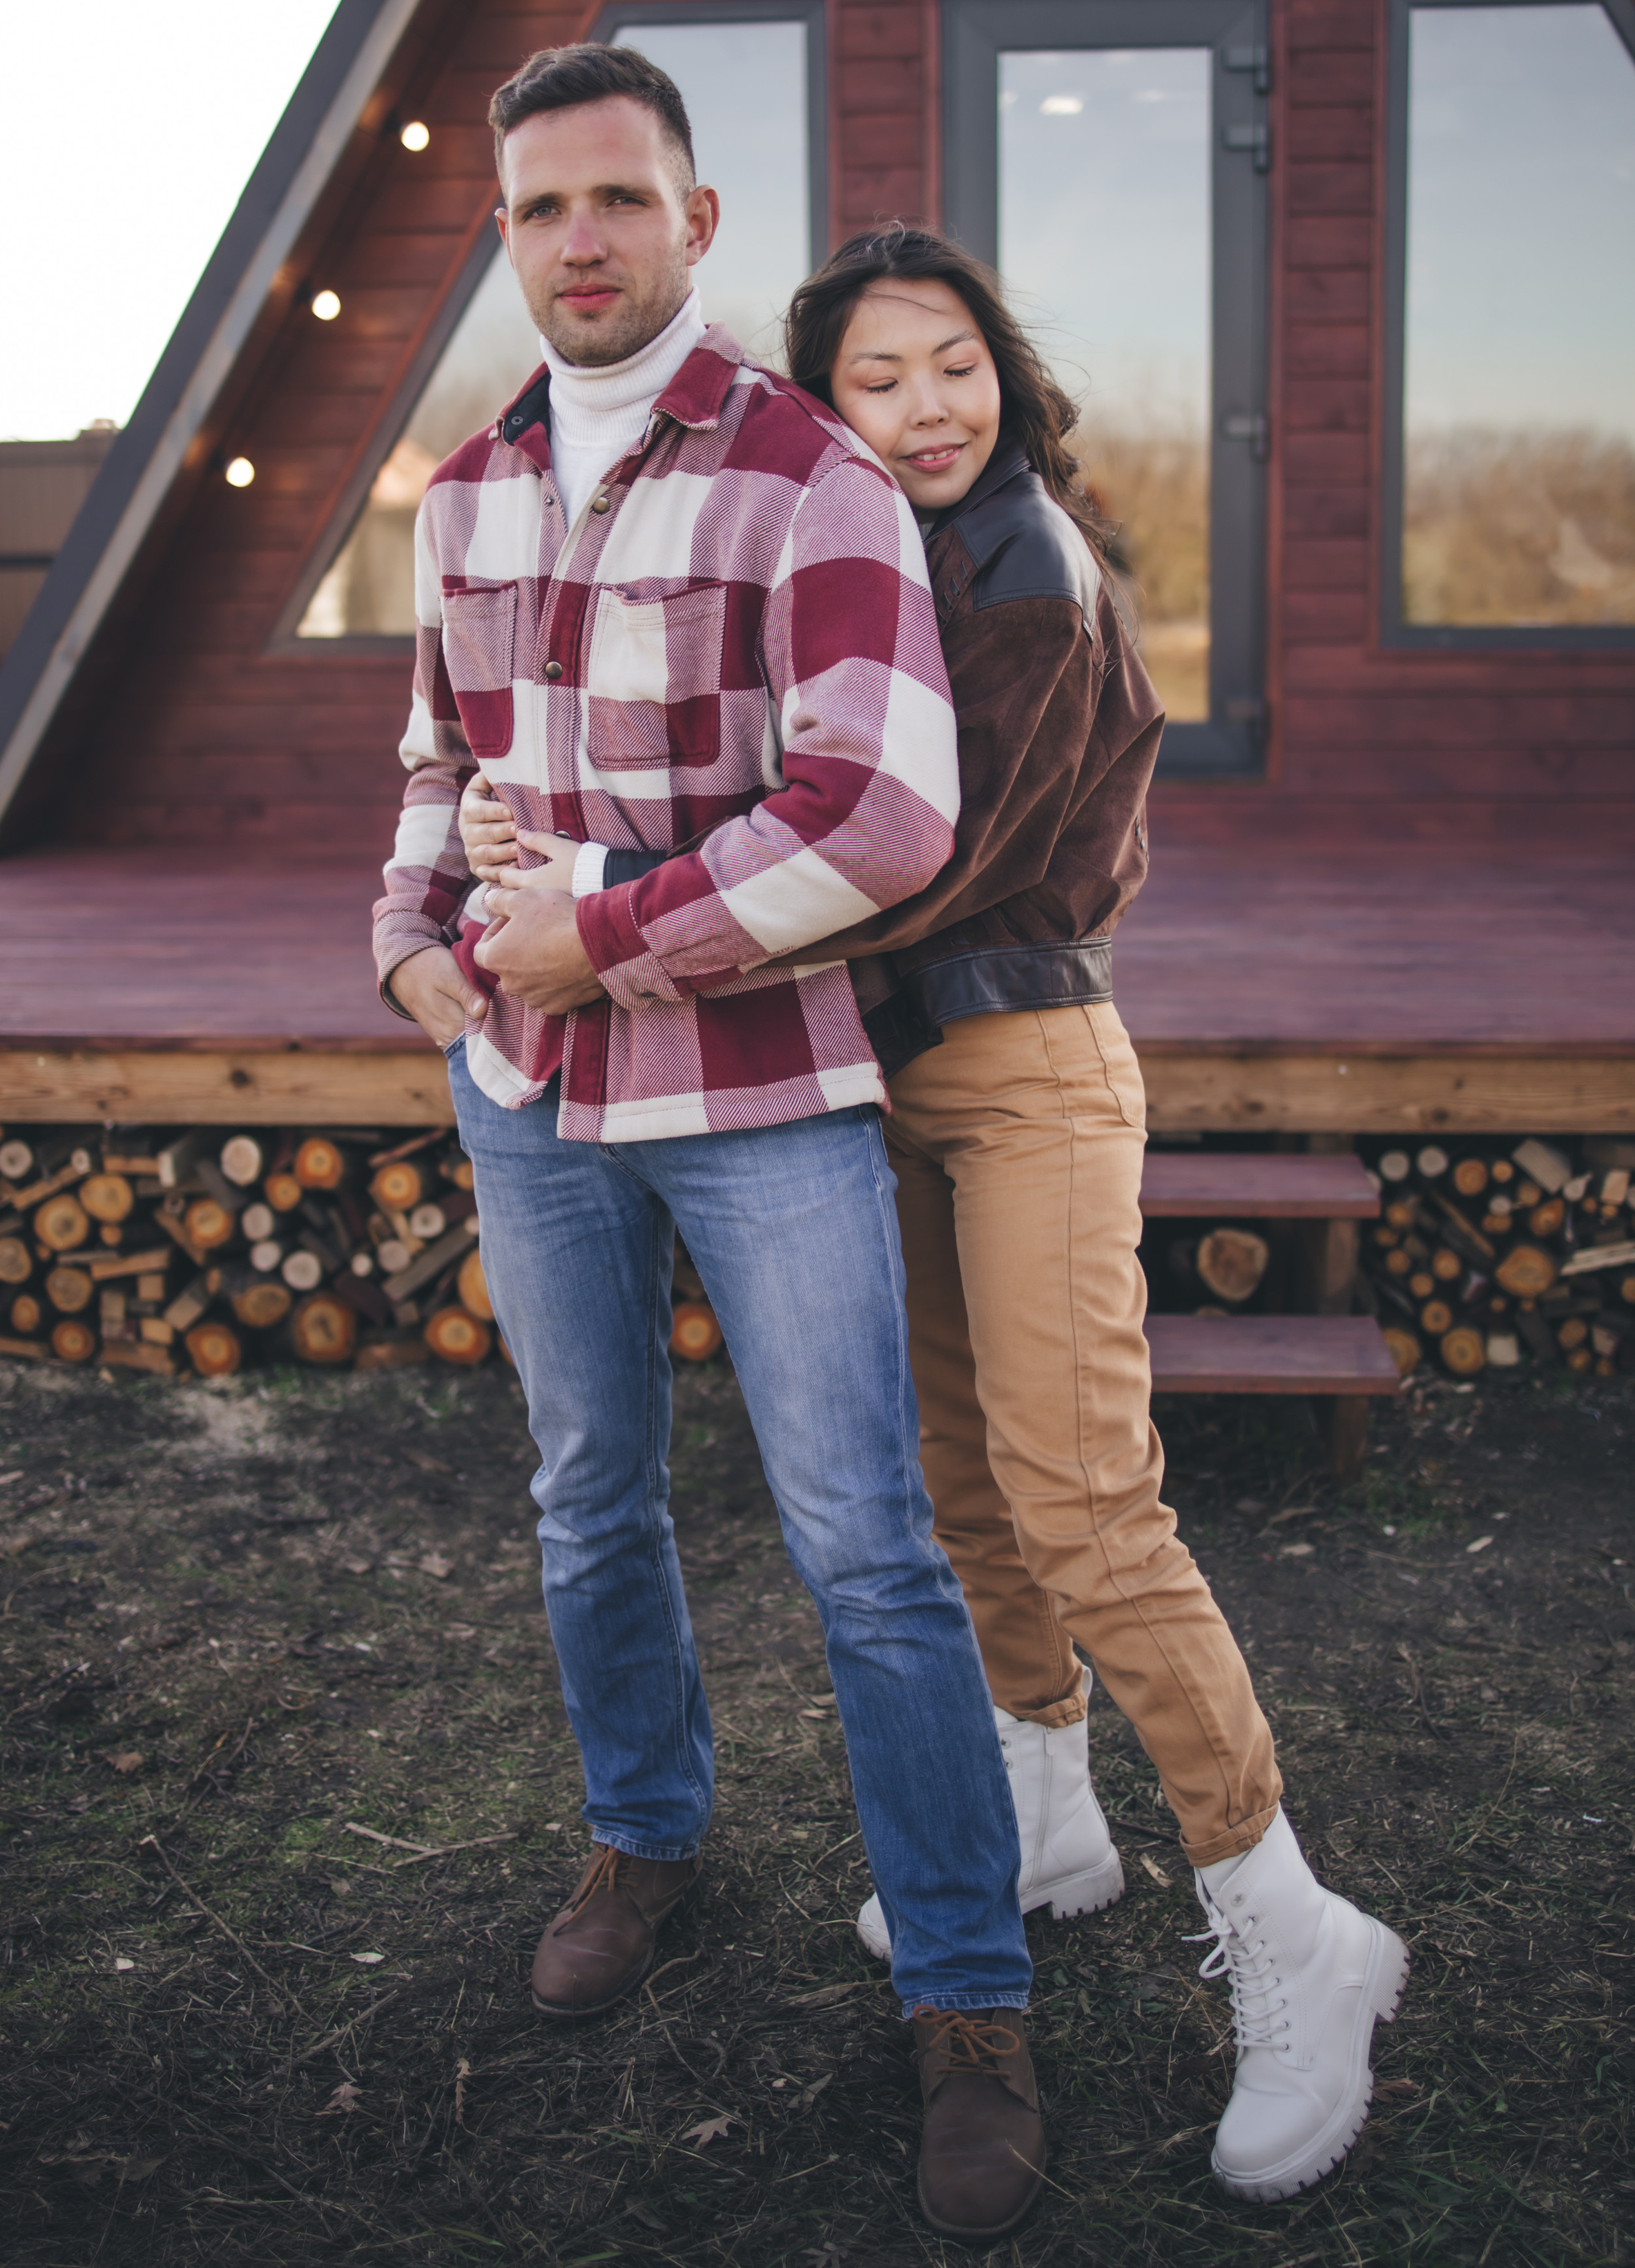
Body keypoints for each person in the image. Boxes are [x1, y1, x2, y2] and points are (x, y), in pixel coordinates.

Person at [463, 225, 1408, 2208]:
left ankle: (1297, 1930)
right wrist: (558, 843)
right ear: (828, 407)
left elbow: (890, 849)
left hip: (1025, 1064)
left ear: (1006, 373)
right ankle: (1049, 1816)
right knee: (960, 1486)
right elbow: (771, 793)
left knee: (1087, 1501)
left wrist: (610, 905)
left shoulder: (1029, 574)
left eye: (954, 365)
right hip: (863, 1074)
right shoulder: (872, 558)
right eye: (878, 380)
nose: (926, 408)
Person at [374, 50, 1047, 2245]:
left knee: (866, 1544)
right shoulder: (462, 493)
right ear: (507, 229)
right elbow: (433, 756)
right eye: (542, 204)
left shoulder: (810, 480)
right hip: (528, 1102)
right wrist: (415, 949)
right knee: (589, 1501)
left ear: (700, 217)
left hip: (758, 1096)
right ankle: (647, 1841)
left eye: (620, 199)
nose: (581, 237)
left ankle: (968, 1994)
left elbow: (883, 809)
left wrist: (607, 935)